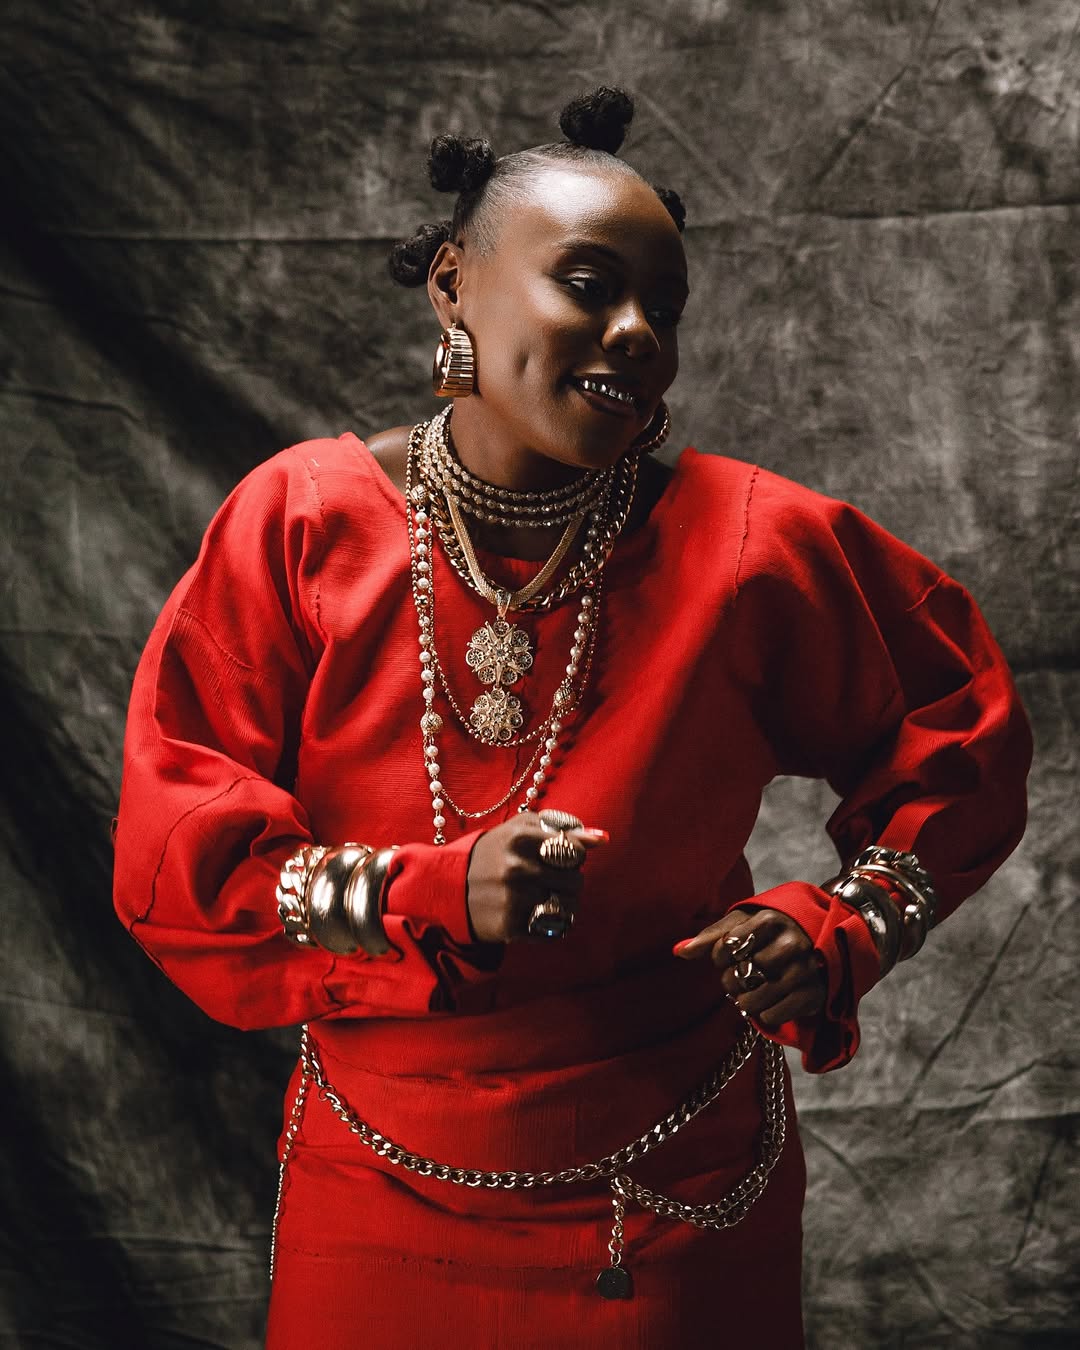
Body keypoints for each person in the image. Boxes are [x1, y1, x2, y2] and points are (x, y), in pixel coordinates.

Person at [112, 87, 1031, 1348]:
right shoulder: (301, 524)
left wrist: (839, 926)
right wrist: (430, 892)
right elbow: (178, 860)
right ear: (453, 288)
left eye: (665, 307)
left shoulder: (752, 545)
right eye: (591, 284)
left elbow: (960, 736)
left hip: (669, 1180)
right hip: (379, 1171)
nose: (638, 331)